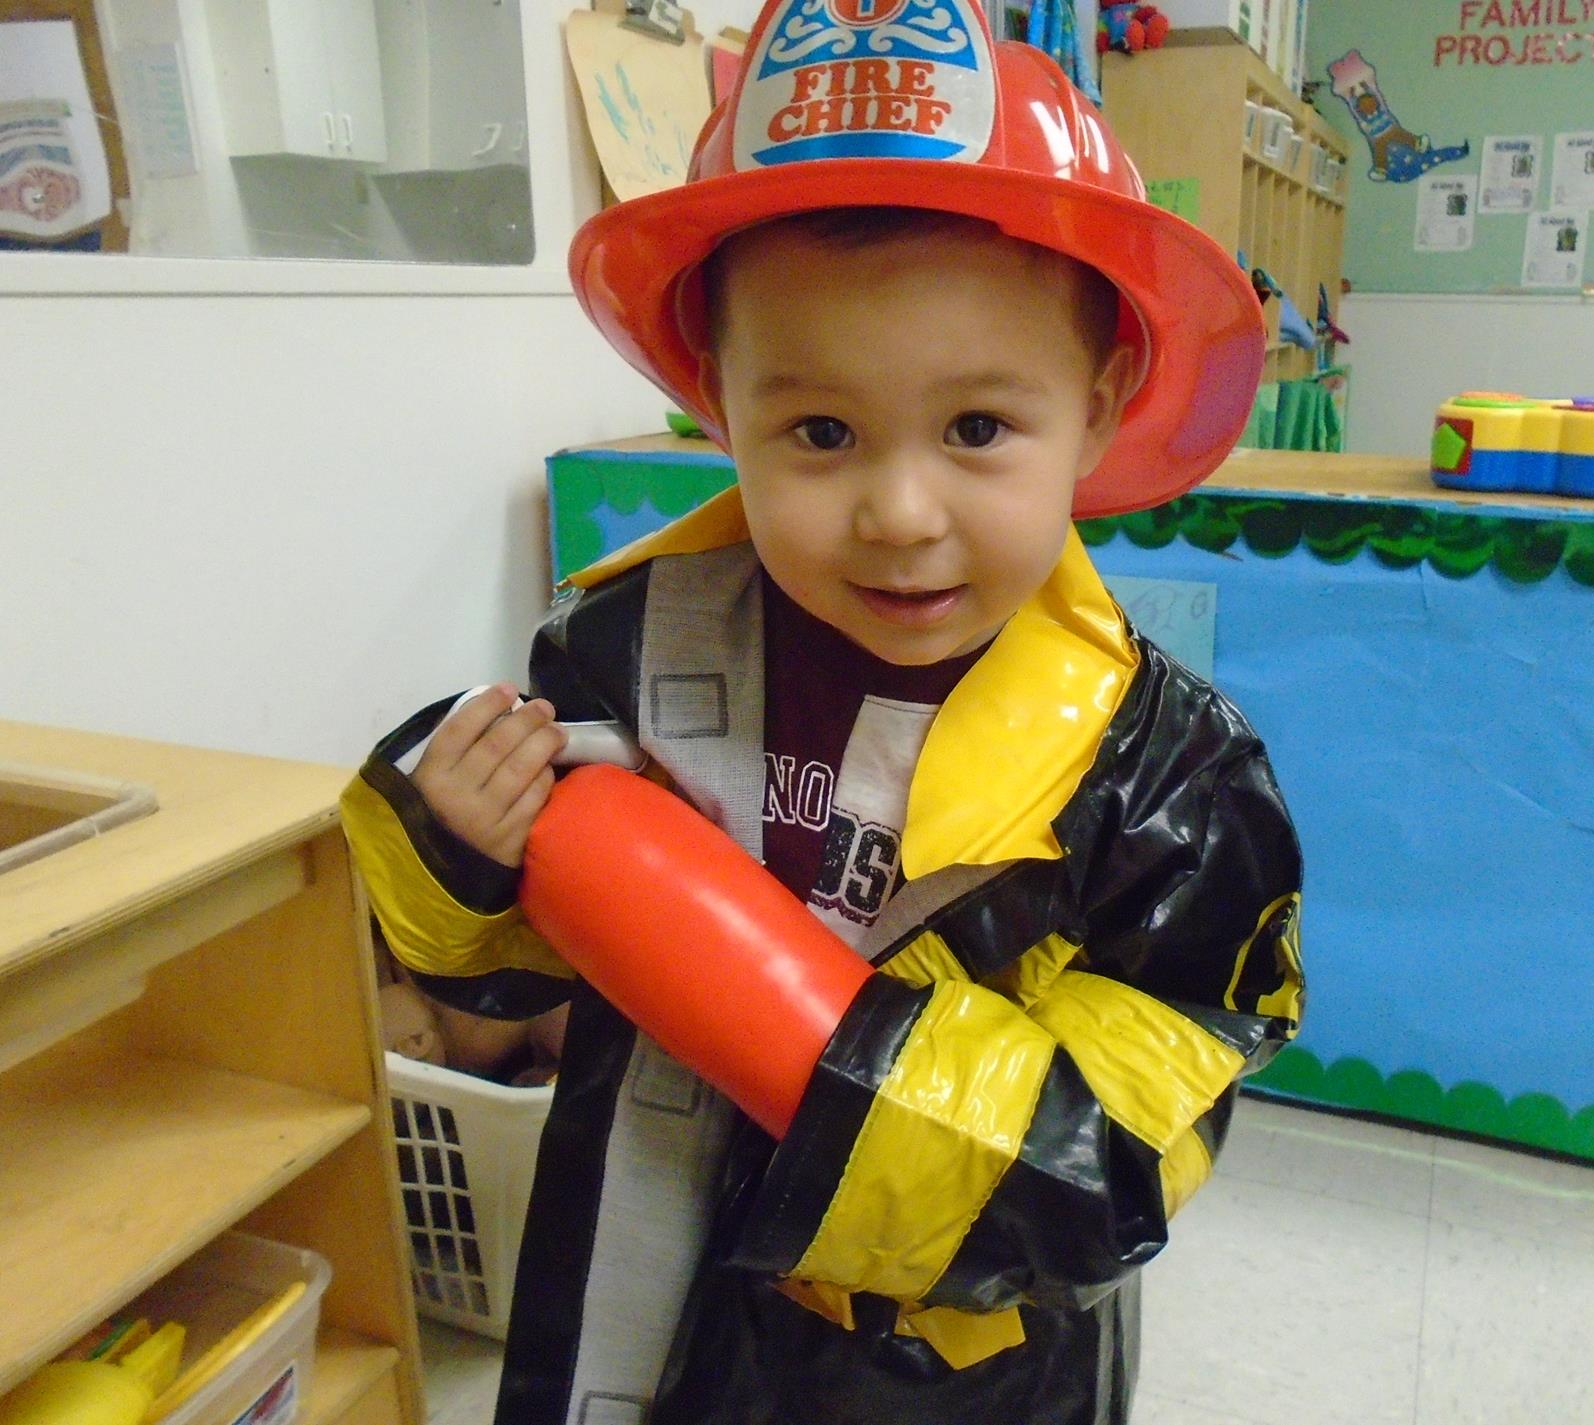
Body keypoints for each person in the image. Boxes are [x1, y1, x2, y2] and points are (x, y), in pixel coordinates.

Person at [339, 0, 1304, 1421]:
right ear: (720, 410)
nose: (899, 514)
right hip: (651, 1292)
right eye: (821, 433)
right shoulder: (622, 651)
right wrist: (455, 856)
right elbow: (518, 985)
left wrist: (822, 1047)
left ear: (1096, 412)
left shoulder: (1167, 774)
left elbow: (1133, 1138)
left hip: (961, 1359)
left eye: (979, 427)